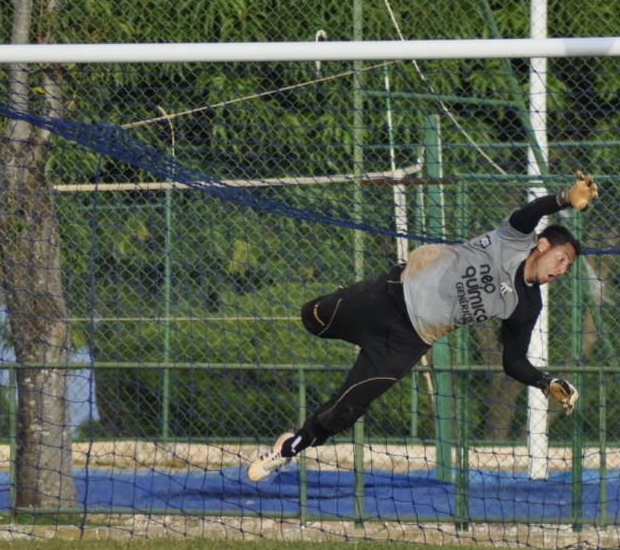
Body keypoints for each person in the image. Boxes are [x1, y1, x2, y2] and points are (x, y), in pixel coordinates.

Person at [247, 171, 599, 481]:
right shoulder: (515, 239)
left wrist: (544, 381)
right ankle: (347, 306)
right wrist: (565, 198)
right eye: (562, 259)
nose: (561, 270)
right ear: (542, 244)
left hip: (407, 342)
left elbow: (513, 360)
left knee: (344, 412)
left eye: (567, 267)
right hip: (389, 296)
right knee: (313, 318)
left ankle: (286, 449)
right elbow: (533, 211)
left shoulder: (527, 306)